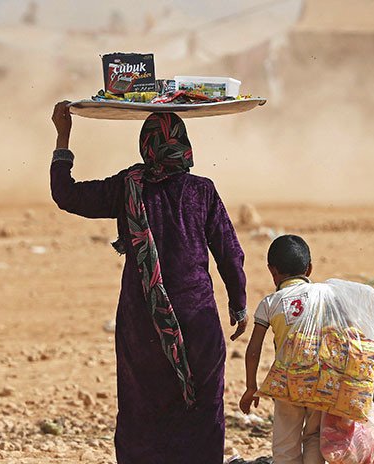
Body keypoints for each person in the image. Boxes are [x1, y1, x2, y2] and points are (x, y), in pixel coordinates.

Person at [50, 101, 249, 464]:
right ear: (185, 147)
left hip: (142, 324)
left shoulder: (128, 187)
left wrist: (63, 136)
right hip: (198, 321)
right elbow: (229, 252)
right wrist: (238, 304)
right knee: (202, 412)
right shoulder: (202, 191)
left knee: (143, 411)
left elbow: (67, 194)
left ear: (146, 146)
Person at [239, 235, 324, 464]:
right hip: (320, 380)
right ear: (309, 269)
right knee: (315, 436)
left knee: (286, 443)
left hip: (287, 383)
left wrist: (250, 387)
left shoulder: (270, 303)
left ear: (272, 270)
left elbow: (253, 349)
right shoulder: (324, 296)